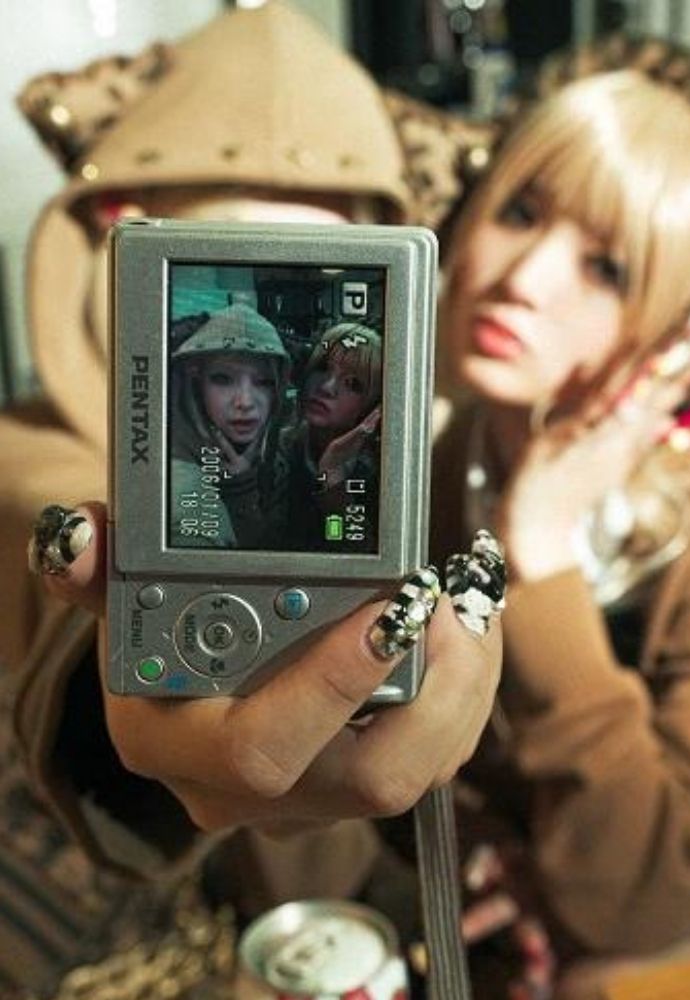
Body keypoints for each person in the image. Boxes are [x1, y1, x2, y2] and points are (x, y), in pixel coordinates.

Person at [0, 3, 501, 996]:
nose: (244, 396)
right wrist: (122, 663)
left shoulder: (385, 451)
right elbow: (40, 495)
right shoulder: (26, 453)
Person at [430, 33, 690, 1000]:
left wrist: (540, 551)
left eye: (607, 267)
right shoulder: (443, 450)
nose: (523, 279)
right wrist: (491, 848)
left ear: (684, 331)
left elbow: (648, 894)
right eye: (520, 212)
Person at [170, 302, 291, 549]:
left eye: (264, 382)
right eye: (222, 379)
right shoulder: (177, 479)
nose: (245, 402)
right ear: (196, 384)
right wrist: (240, 492)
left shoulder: (277, 456)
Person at [290, 321, 382, 550]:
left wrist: (333, 481)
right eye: (323, 368)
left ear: (373, 407)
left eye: (352, 383)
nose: (327, 387)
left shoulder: (380, 476)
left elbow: (351, 547)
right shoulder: (276, 449)